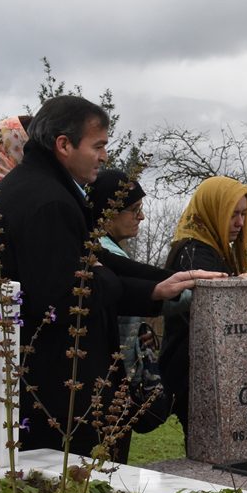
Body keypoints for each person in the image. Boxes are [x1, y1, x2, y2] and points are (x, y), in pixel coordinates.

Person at [0, 96, 218, 458]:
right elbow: (69, 297)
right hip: (61, 397)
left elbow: (100, 266)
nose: (104, 156)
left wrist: (159, 287)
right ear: (64, 145)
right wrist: (105, 279)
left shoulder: (39, 187)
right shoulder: (49, 202)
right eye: (98, 146)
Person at [86, 169, 172, 460]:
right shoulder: (104, 253)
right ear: (108, 213)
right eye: (134, 210)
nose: (142, 217)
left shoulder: (110, 250)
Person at [160, 176, 247, 424]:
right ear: (213, 211)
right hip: (193, 372)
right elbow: (200, 308)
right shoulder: (195, 252)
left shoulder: (213, 249)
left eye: (244, 214)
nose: (239, 223)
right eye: (232, 214)